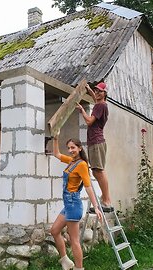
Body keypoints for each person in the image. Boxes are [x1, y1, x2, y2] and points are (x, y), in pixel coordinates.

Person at [50, 133, 102, 270]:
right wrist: (56, 137)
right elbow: (56, 154)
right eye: (69, 148)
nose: (70, 150)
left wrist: (96, 206)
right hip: (68, 204)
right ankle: (65, 261)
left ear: (79, 148)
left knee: (74, 240)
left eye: (73, 147)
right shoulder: (71, 161)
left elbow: (88, 186)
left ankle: (79, 268)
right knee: (54, 231)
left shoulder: (82, 165)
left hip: (73, 204)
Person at [76, 80, 113, 211]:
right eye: (96, 90)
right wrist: (89, 89)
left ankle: (107, 200)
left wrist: (82, 110)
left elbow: (89, 121)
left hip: (96, 142)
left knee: (98, 171)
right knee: (97, 170)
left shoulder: (100, 106)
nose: (97, 93)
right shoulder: (101, 104)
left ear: (105, 93)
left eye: (99, 91)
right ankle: (105, 198)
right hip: (96, 142)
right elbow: (94, 98)